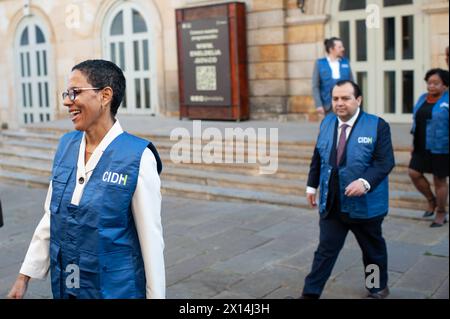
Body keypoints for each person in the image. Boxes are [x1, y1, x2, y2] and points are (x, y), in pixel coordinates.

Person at [7, 59, 165, 299]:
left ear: (105, 96)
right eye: (66, 93)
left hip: (116, 289)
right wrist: (23, 277)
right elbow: (52, 217)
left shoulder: (137, 157)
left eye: (75, 92)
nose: (67, 101)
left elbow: (151, 242)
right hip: (69, 284)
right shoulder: (65, 146)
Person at [301, 80, 395, 299]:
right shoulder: (326, 123)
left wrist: (365, 182)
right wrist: (311, 185)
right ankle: (309, 294)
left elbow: (384, 162)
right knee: (325, 251)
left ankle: (376, 288)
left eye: (345, 98)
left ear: (358, 100)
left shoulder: (377, 125)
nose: (339, 103)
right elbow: (318, 157)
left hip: (366, 205)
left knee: (372, 251)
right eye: (335, 99)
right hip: (332, 202)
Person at [408, 69, 449, 227]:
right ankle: (431, 201)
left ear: (444, 85)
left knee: (439, 180)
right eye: (429, 82)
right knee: (413, 173)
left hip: (441, 147)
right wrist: (413, 143)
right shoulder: (422, 98)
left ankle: (441, 212)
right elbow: (416, 122)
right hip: (421, 145)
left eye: (435, 83)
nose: (431, 86)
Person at [312, 37, 354, 119]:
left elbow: (352, 84)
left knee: (345, 130)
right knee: (327, 130)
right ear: (331, 49)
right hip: (327, 106)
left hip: (345, 105)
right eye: (340, 47)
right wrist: (318, 105)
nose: (343, 49)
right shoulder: (320, 63)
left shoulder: (346, 62)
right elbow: (315, 86)